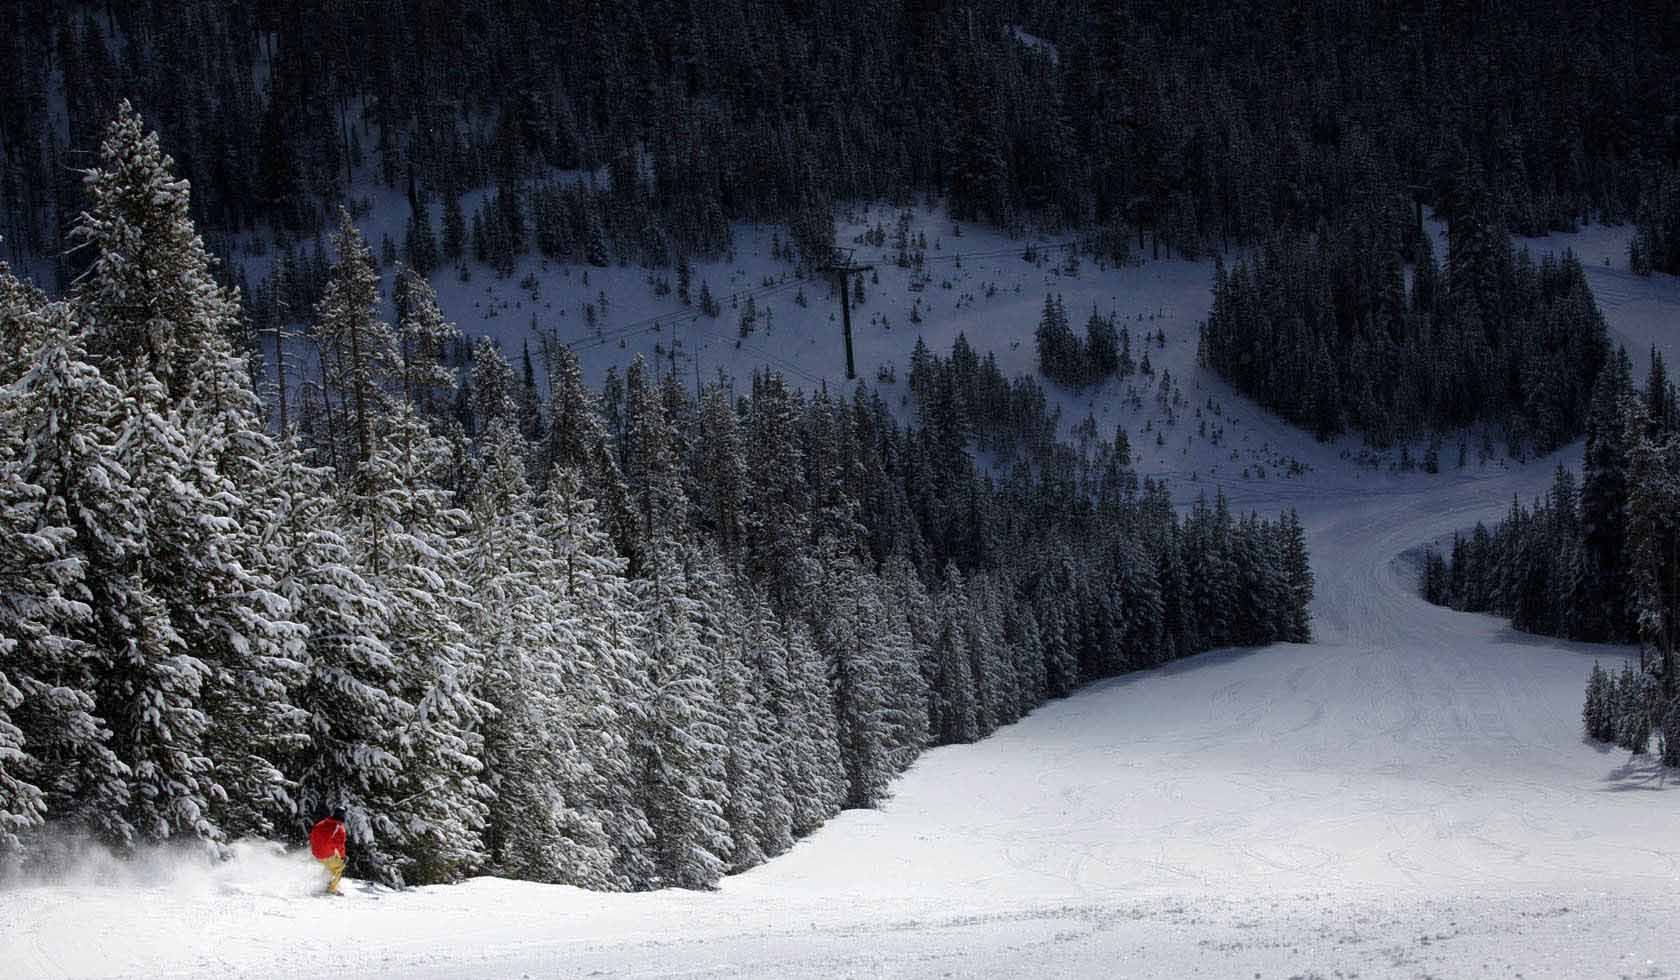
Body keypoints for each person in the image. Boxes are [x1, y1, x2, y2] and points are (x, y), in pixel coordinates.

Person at [309, 808, 349, 896]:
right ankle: (332, 889)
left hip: (315, 852)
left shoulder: (322, 822)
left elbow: (312, 835)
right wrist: (343, 857)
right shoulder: (339, 828)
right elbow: (340, 845)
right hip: (325, 854)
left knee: (331, 865)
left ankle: (324, 883)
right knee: (340, 865)